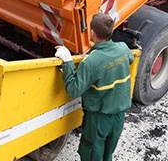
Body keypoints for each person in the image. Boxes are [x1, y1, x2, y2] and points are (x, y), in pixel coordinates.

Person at [55, 13, 134, 161]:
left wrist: (67, 61)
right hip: (119, 118)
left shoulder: (90, 62)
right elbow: (129, 59)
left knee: (92, 155)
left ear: (92, 32)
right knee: (107, 155)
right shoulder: (123, 49)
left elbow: (73, 90)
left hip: (98, 120)